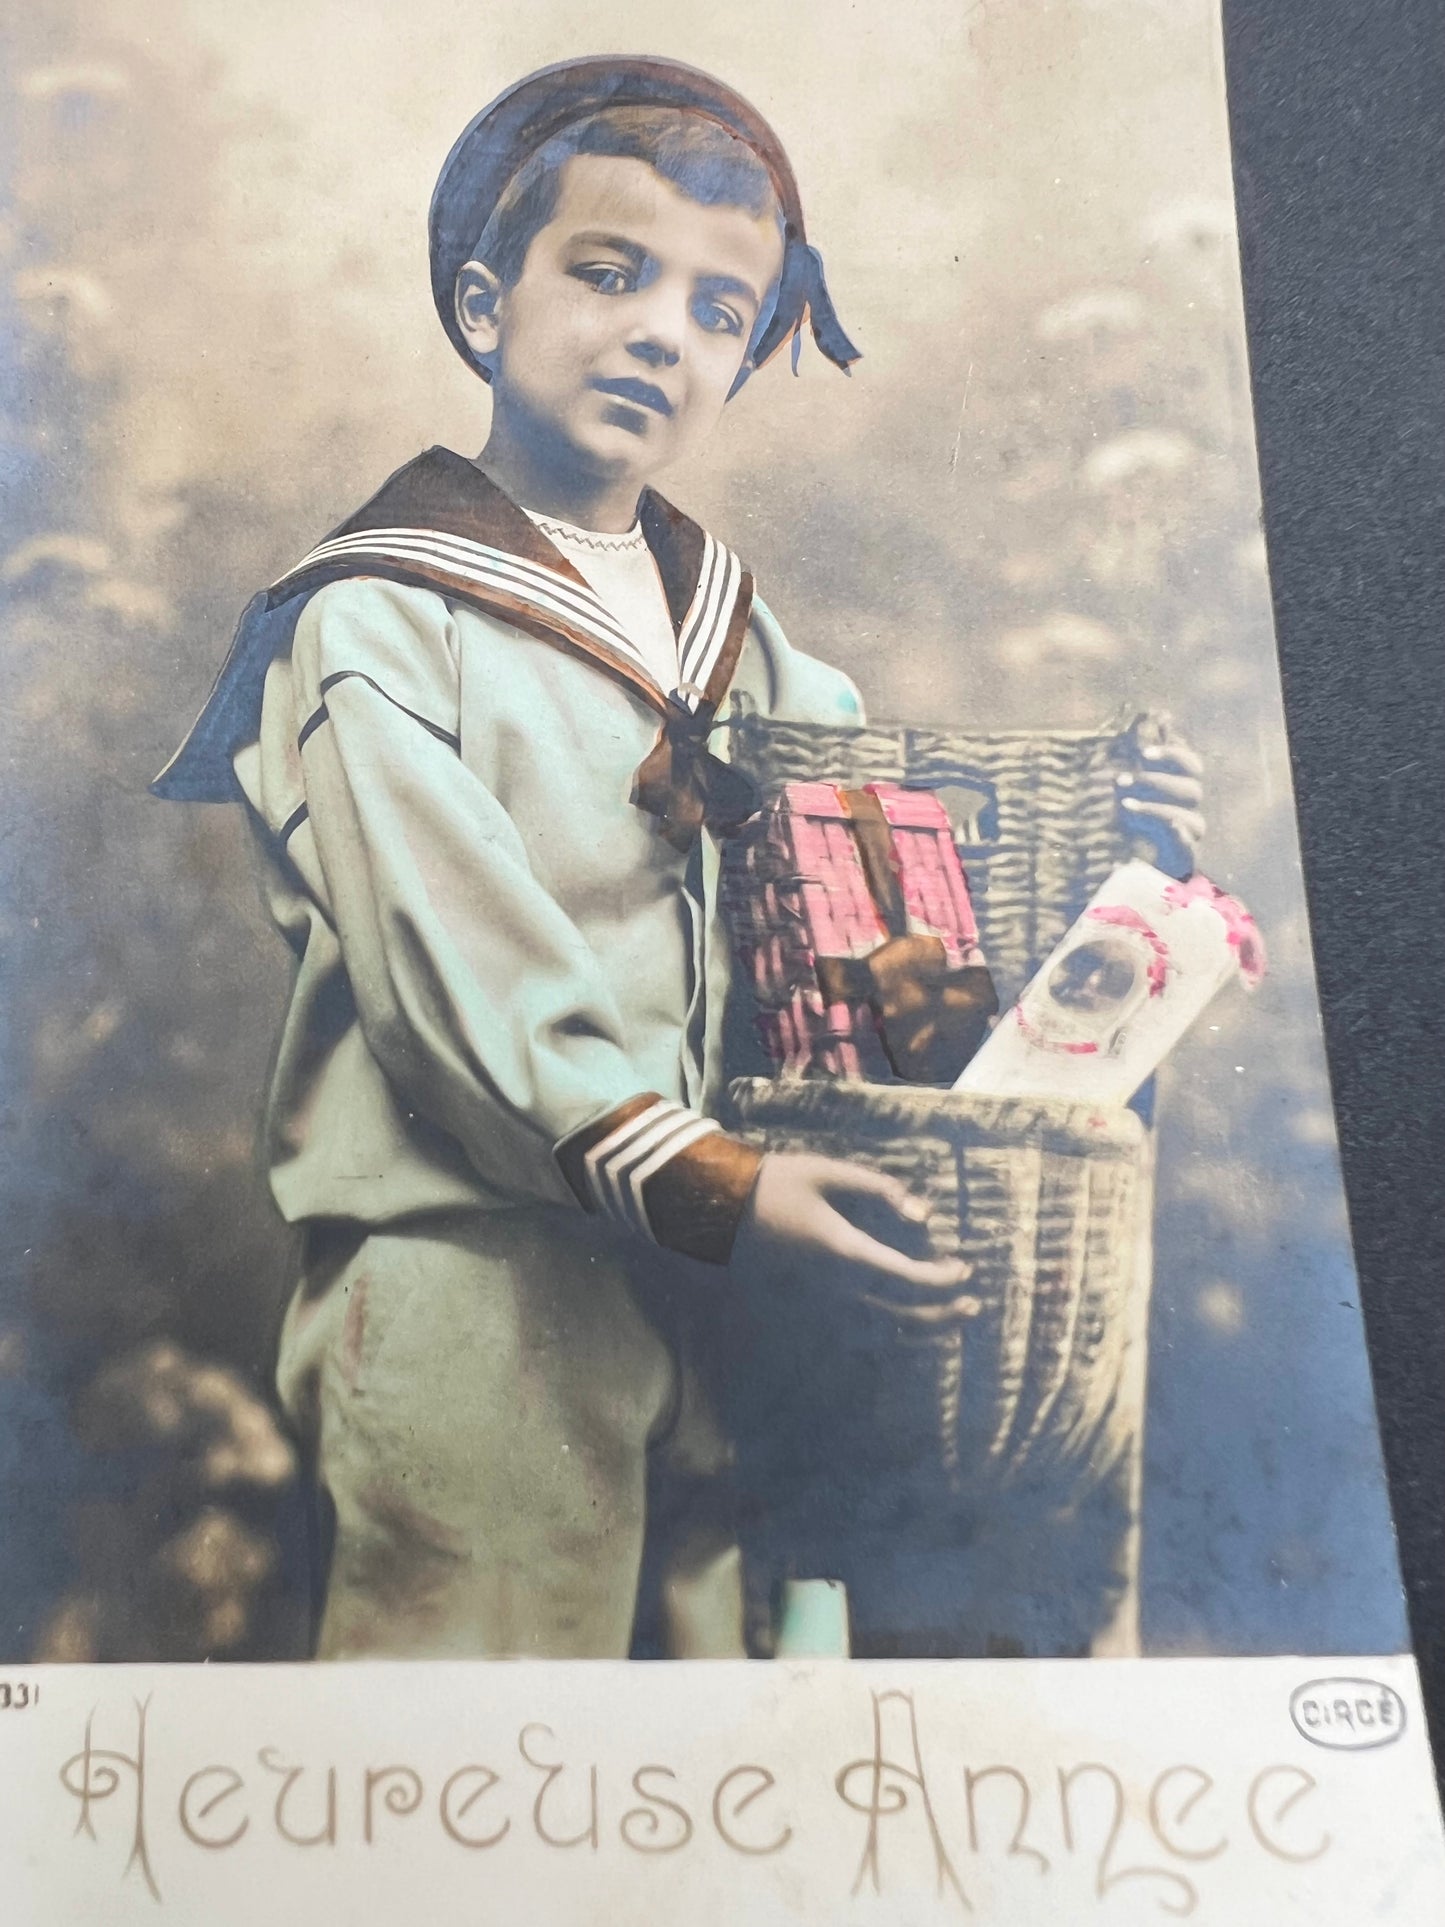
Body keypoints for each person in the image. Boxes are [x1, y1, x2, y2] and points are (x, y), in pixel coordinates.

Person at [155, 56, 1204, 1661]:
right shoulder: (376, 619)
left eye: (724, 311)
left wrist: (1115, 891)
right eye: (612, 271)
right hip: (479, 1275)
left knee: (726, 1758)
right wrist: (706, 1177)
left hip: (723, 1283)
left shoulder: (744, 640)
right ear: (486, 304)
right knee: (483, 1732)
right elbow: (458, 977)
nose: (665, 329)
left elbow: (882, 899)